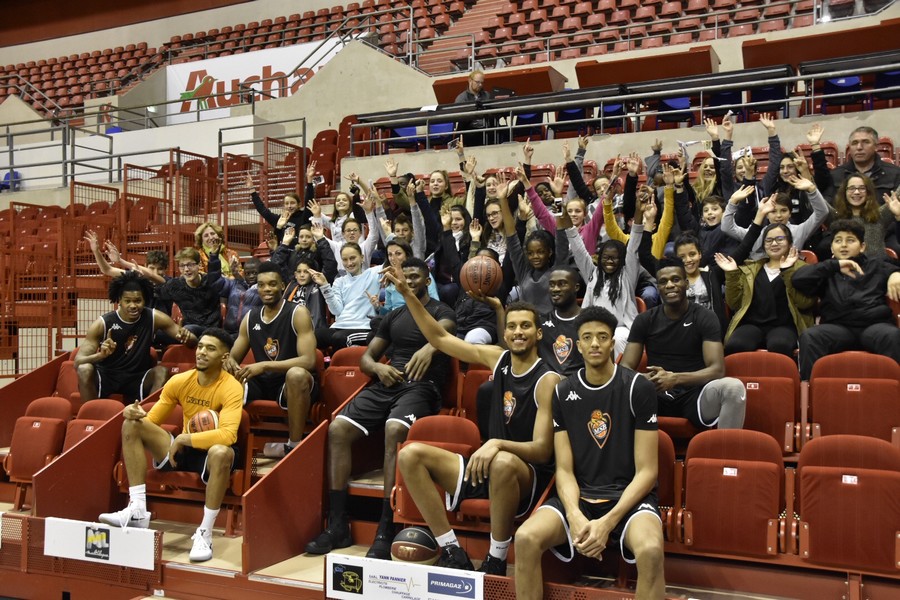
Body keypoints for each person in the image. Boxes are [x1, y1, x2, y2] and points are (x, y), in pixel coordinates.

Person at [392, 267, 559, 575]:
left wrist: (495, 444)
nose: (518, 332)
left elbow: (542, 451)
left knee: (503, 462)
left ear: (538, 334)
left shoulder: (548, 380)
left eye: (525, 326)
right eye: (512, 327)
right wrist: (408, 295)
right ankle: (452, 550)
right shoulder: (498, 358)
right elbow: (440, 338)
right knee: (410, 454)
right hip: (489, 463)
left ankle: (496, 559)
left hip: (526, 476)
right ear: (504, 333)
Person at [305, 258, 456, 560]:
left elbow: (445, 333)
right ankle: (338, 526)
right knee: (337, 429)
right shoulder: (394, 315)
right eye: (406, 276)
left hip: (422, 387)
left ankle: (385, 529)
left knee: (394, 429)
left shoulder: (442, 311)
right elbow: (367, 358)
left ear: (427, 281)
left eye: (416, 276)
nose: (411, 281)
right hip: (387, 382)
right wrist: (378, 368)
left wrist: (431, 346)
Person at [513, 307, 664, 600]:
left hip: (628, 499)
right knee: (525, 538)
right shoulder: (562, 391)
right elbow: (565, 469)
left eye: (602, 337)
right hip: (580, 498)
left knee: (651, 551)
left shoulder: (637, 387)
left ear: (612, 344)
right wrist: (575, 515)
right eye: (587, 337)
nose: (595, 343)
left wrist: (608, 522)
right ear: (578, 344)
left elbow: (648, 472)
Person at [98, 327, 244, 563]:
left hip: (211, 453)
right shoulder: (179, 381)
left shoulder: (231, 387)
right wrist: (132, 413)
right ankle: (137, 508)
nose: (202, 352)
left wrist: (186, 438)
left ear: (224, 357)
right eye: (200, 346)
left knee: (221, 452)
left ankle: (204, 533)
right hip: (183, 450)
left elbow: (228, 435)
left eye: (211, 348)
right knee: (132, 425)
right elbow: (152, 421)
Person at [621, 258, 746, 431]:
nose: (670, 285)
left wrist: (675, 379)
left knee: (734, 388)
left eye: (675, 279)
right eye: (663, 282)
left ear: (686, 284)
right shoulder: (644, 320)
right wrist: (646, 378)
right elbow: (625, 368)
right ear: (658, 288)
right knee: (611, 386)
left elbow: (717, 370)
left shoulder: (705, 317)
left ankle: (724, 453)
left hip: (695, 395)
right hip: (654, 394)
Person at [224, 262, 318, 458]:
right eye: (261, 285)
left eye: (272, 284)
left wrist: (265, 365)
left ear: (283, 285)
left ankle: (294, 446)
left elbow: (309, 361)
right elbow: (234, 357)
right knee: (227, 378)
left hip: (293, 382)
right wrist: (229, 363)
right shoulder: (250, 317)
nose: (266, 289)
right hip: (263, 382)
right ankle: (229, 444)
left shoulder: (297, 312)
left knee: (296, 374)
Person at [791, 219, 900, 380]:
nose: (843, 245)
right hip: (837, 327)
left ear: (862, 246)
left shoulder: (877, 265)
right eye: (838, 241)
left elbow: (894, 265)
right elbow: (798, 279)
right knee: (810, 337)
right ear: (831, 247)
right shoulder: (826, 269)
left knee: (892, 336)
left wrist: (895, 274)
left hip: (873, 326)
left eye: (850, 240)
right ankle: (809, 395)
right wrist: (834, 266)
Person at [714, 196, 815, 357]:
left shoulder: (802, 268)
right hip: (752, 324)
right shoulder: (751, 268)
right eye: (769, 240)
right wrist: (732, 273)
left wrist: (788, 271)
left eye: (779, 239)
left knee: (779, 345)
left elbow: (805, 303)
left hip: (785, 325)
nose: (774, 244)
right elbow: (734, 304)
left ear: (790, 243)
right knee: (735, 345)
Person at [76, 272, 196, 402]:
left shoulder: (154, 317)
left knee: (161, 371)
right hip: (107, 375)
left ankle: (149, 417)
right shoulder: (102, 323)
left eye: (138, 301)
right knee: (85, 369)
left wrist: (187, 336)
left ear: (144, 300)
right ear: (119, 301)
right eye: (127, 301)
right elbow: (78, 362)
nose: (133, 306)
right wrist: (100, 355)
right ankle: (91, 415)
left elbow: (192, 341)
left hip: (137, 377)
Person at [312, 242, 382, 351]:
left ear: (362, 258)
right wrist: (325, 286)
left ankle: (342, 366)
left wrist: (388, 234)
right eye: (345, 259)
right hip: (339, 326)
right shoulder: (339, 281)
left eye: (352, 258)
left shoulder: (374, 273)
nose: (349, 263)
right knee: (314, 336)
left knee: (339, 338)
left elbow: (395, 257)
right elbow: (336, 310)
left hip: (363, 327)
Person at [158, 248, 223, 336]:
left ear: (199, 265)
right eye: (182, 266)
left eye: (190, 265)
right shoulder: (175, 286)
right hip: (187, 332)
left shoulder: (210, 281)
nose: (186, 269)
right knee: (156, 333)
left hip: (211, 331)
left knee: (188, 329)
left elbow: (216, 273)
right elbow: (157, 292)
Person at [829, 126, 900, 202]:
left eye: (866, 142)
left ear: (876, 146)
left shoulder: (895, 174)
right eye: (854, 143)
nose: (859, 147)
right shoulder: (835, 175)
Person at [246, 168, 314, 245]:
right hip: (282, 254)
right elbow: (262, 210)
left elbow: (309, 202)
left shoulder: (304, 217)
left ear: (298, 204)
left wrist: (309, 180)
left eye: (292, 203)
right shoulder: (279, 219)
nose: (289, 206)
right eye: (287, 203)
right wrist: (252, 189)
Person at [207, 253, 261, 342]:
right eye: (247, 273)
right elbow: (215, 282)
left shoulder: (263, 289)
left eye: (255, 273)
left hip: (251, 333)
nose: (251, 276)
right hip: (229, 331)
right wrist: (213, 257)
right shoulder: (233, 284)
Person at [454, 69, 493, 147]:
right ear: (470, 81)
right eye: (477, 82)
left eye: (482, 82)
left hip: (486, 128)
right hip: (469, 129)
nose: (480, 85)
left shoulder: (487, 95)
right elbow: (458, 116)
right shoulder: (462, 98)